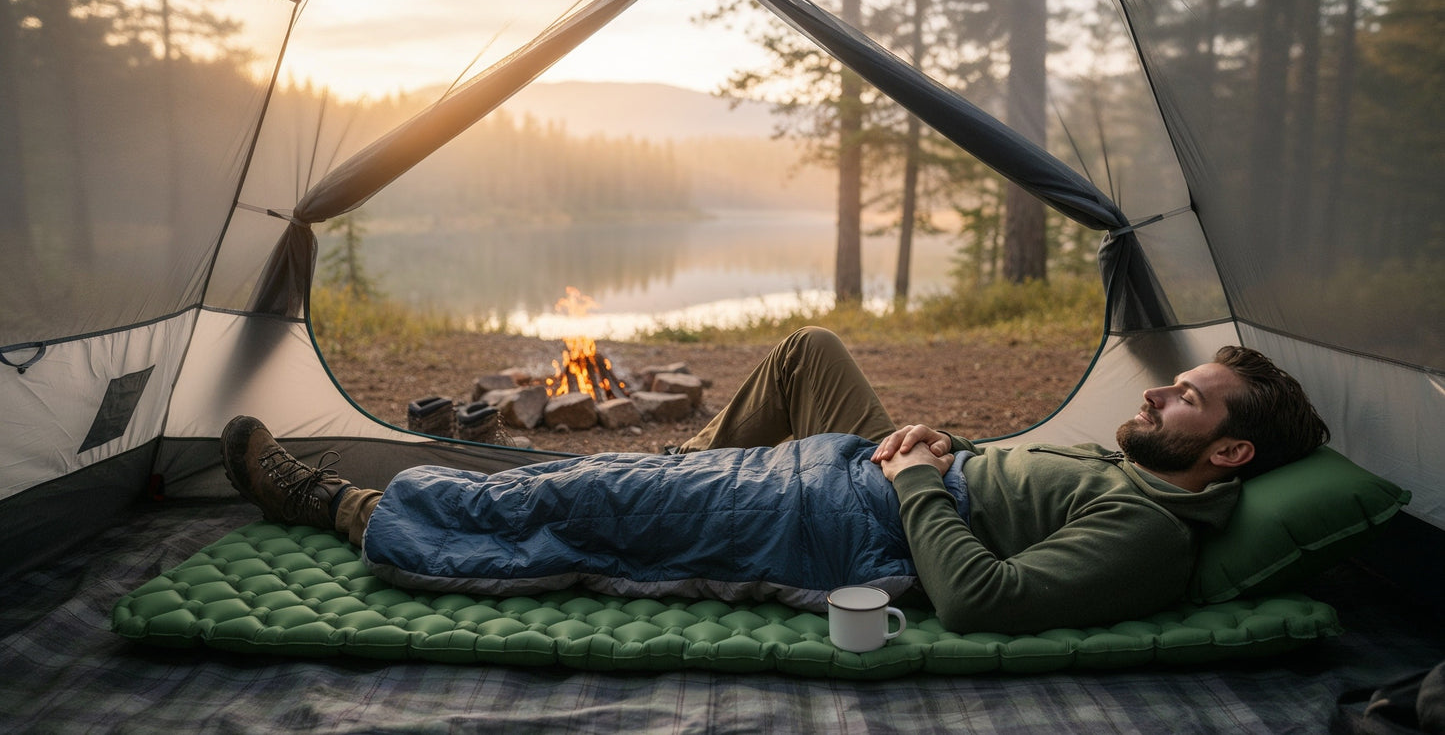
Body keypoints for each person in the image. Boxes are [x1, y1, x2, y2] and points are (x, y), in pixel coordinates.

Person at [220, 327, 1329, 634]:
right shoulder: (1137, 468)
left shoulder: (1149, 534)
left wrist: (917, 483)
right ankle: (686, 484)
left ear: (1229, 452)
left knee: (577, 496)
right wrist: (931, 449)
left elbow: (981, 598)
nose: (1152, 399)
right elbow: (995, 491)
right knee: (806, 351)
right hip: (873, 471)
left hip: (857, 513)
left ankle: (337, 501)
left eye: (1180, 399)